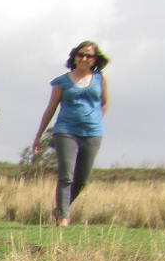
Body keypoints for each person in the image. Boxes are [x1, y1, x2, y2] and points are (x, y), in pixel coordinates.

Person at [32, 41, 110, 227]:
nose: (84, 58)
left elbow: (104, 102)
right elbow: (51, 108)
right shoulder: (62, 81)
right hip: (66, 131)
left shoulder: (101, 78)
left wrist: (98, 119)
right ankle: (63, 218)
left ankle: (61, 207)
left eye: (89, 56)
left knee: (82, 179)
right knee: (66, 176)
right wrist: (39, 134)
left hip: (92, 133)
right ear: (74, 57)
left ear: (95, 59)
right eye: (80, 54)